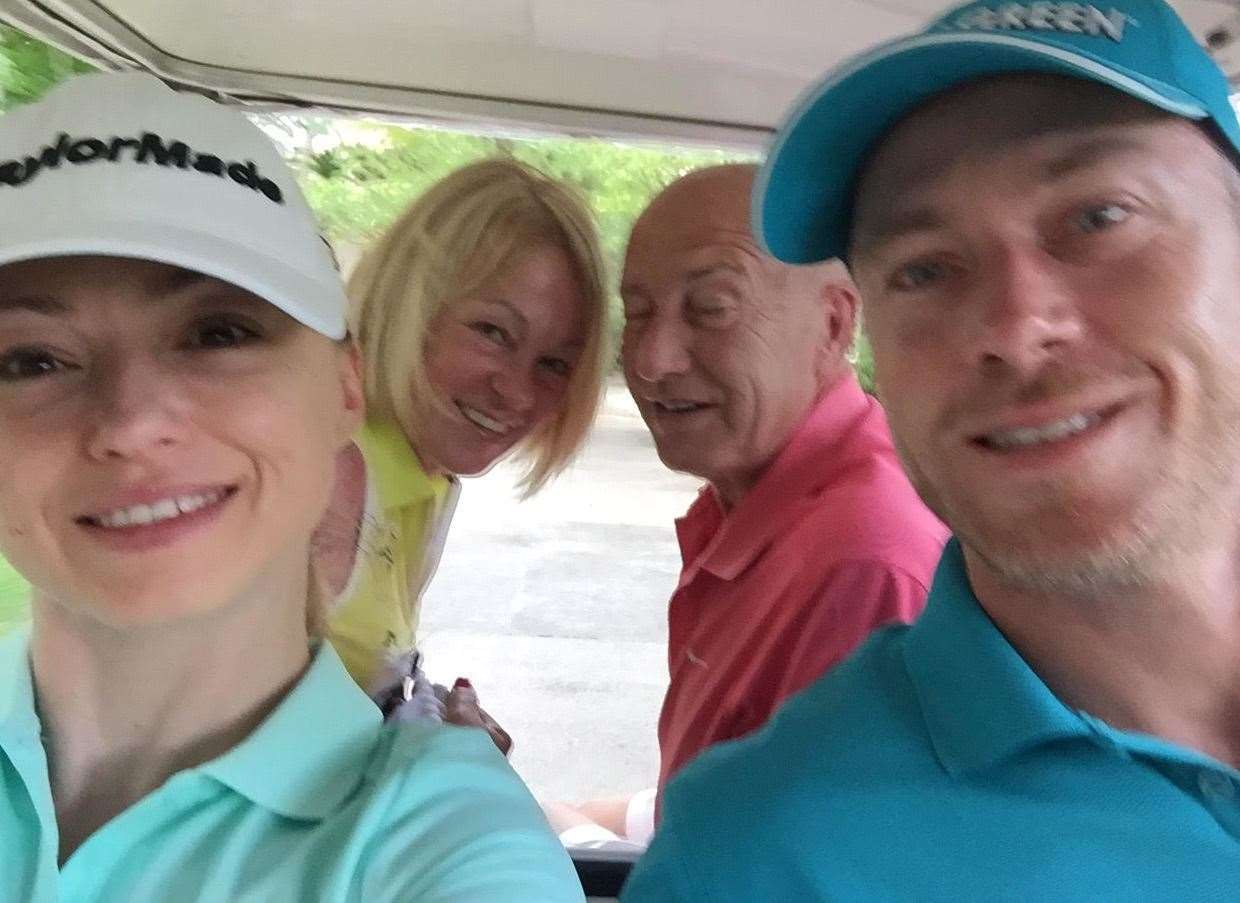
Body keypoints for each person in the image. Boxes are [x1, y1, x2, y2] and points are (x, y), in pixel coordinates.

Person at [622, 1, 1240, 899]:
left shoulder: (860, 552)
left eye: (1100, 216)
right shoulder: (753, 862)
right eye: (924, 269)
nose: (1018, 328)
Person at [0, 71, 584, 902]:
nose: (130, 423)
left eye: (217, 333)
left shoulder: (445, 852)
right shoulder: (362, 479)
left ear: (345, 387)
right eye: (29, 358)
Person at [551, 164, 946, 848]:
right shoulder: (753, 505)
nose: (651, 359)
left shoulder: (863, 563)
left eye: (711, 309)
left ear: (833, 322)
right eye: (637, 313)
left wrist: (574, 846)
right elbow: (736, 795)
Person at [313, 159, 609, 717]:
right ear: (411, 301)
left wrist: (425, 729)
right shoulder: (329, 470)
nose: (519, 395)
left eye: (553, 363)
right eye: (493, 333)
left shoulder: (425, 475)